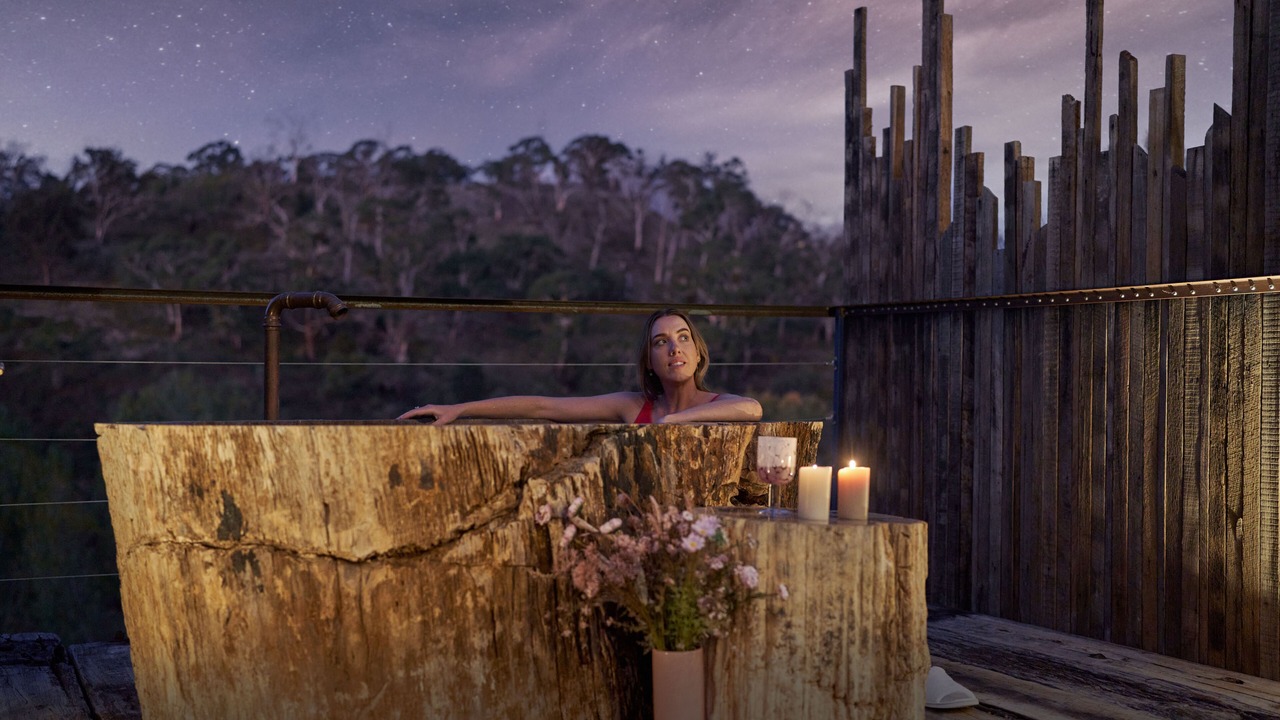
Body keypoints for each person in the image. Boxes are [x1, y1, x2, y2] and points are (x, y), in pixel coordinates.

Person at [397, 308, 763, 425]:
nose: (674, 348)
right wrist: (461, 408)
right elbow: (544, 407)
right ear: (650, 362)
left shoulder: (717, 404)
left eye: (683, 338)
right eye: (660, 342)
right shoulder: (634, 406)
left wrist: (673, 422)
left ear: (698, 354)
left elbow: (752, 408)